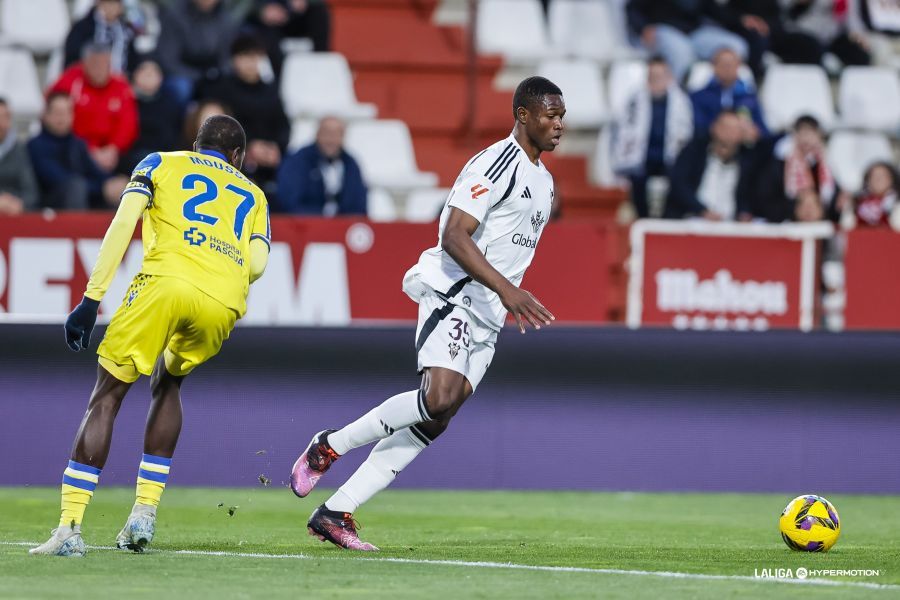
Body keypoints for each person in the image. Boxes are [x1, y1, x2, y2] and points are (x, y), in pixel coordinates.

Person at [288, 77, 562, 551]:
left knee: (437, 418)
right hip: (454, 291)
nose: (558, 125)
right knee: (436, 398)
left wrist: (503, 298)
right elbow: (453, 236)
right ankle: (330, 444)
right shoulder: (497, 164)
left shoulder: (545, 180)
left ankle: (336, 510)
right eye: (549, 115)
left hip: (490, 312)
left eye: (561, 117)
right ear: (522, 114)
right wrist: (508, 289)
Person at [28, 115, 271, 557]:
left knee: (107, 396)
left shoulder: (161, 162)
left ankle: (69, 527)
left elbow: (123, 225)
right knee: (169, 382)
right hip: (222, 302)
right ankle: (143, 515)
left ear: (196, 145)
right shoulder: (254, 195)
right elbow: (256, 266)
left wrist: (90, 298)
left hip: (164, 283)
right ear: (238, 157)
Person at [200, 35, 290, 195]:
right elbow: (222, 125)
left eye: (256, 57)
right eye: (245, 57)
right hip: (235, 156)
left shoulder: (270, 91)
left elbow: (283, 124)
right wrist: (249, 147)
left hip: (269, 155)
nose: (251, 63)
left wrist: (277, 147)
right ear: (234, 60)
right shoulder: (222, 89)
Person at [612, 57, 693, 218]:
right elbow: (623, 131)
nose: (657, 80)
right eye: (653, 76)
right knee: (637, 180)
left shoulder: (680, 101)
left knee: (678, 180)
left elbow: (687, 133)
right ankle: (643, 219)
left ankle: (669, 221)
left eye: (660, 75)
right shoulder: (635, 100)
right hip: (643, 159)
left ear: (669, 77)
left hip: (670, 159)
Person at [48, 42, 139, 175]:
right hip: (77, 149)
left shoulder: (121, 86)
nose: (99, 69)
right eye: (94, 64)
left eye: (104, 64)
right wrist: (89, 150)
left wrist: (113, 148)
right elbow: (54, 110)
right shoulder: (70, 81)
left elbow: (128, 123)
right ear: (84, 63)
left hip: (113, 154)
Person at [27, 92, 120, 210]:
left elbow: (95, 171)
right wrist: (102, 189)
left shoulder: (77, 143)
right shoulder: (36, 145)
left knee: (119, 189)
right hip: (49, 204)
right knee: (76, 187)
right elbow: (57, 179)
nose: (62, 118)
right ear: (45, 115)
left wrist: (111, 183)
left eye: (66, 113)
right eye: (57, 113)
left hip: (83, 197)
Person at [626, 0, 749, 83]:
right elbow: (632, 8)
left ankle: (722, 96)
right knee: (682, 54)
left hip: (694, 32)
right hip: (663, 29)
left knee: (737, 46)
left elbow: (715, 11)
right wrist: (642, 27)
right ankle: (674, 99)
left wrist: (742, 20)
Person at [667, 110, 756, 221]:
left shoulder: (748, 160)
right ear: (713, 127)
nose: (728, 133)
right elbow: (679, 185)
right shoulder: (693, 152)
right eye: (725, 127)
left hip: (732, 225)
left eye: (735, 129)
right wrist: (702, 211)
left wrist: (744, 212)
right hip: (693, 219)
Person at [756, 115, 844, 223]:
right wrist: (798, 206)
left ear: (819, 136)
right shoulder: (780, 163)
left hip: (820, 226)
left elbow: (833, 201)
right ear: (794, 135)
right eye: (802, 133)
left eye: (810, 133)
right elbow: (766, 200)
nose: (806, 138)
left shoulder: (826, 165)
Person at [276, 117, 367, 215]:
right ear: (317, 134)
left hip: (341, 226)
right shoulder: (298, 161)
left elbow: (359, 204)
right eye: (326, 133)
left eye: (336, 134)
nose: (331, 139)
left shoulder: (351, 164)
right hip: (305, 225)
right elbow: (290, 202)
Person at [157, 0, 240, 106]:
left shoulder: (226, 19)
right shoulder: (175, 15)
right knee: (181, 88)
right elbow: (168, 60)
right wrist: (199, 77)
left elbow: (227, 58)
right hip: (182, 75)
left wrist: (216, 74)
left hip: (214, 74)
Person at [119, 59, 184, 174]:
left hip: (163, 159)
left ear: (161, 78)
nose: (149, 74)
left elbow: (173, 137)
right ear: (135, 75)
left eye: (154, 71)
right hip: (129, 159)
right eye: (144, 70)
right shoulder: (124, 99)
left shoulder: (171, 102)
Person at [690, 48, 767, 141]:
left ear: (738, 67)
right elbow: (697, 127)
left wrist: (755, 132)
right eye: (723, 64)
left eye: (731, 64)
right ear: (714, 67)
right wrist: (724, 130)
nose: (727, 68)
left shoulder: (749, 97)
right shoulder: (699, 97)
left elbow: (763, 129)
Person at [245, 0, 331, 75]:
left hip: (297, 17)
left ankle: (321, 66)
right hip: (265, 20)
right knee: (267, 31)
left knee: (319, 11)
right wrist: (262, 9)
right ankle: (279, 77)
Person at [64, 0, 139, 75]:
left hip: (120, 79)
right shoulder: (83, 27)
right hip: (89, 79)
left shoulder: (127, 29)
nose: (110, 8)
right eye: (107, 4)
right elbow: (72, 55)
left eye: (114, 4)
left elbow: (133, 58)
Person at [0, 98, 39, 215]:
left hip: (15, 217)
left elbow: (31, 193)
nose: (0, 123)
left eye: (4, 117)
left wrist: (18, 204)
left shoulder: (20, 150)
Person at [842, 161, 900, 230]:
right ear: (868, 180)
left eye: (882, 176)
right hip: (860, 239)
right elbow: (846, 227)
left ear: (891, 179)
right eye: (874, 176)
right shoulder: (857, 201)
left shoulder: (896, 201)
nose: (878, 180)